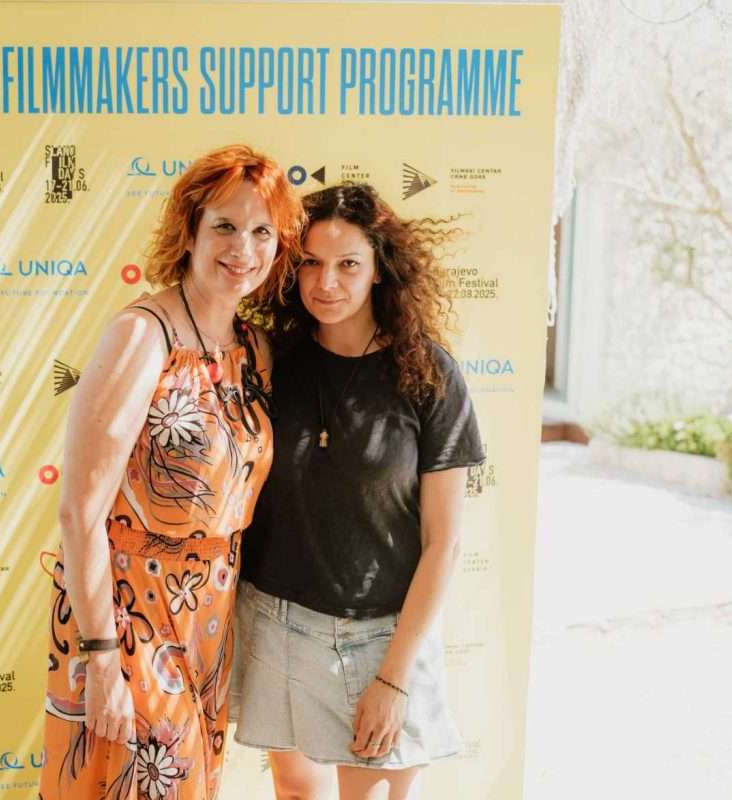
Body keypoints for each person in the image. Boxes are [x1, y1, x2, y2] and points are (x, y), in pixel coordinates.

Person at [41, 144, 304, 800]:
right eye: (225, 226)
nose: (243, 248)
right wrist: (102, 657)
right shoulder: (142, 336)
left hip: (208, 615)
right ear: (189, 230)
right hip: (128, 613)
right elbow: (79, 511)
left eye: (262, 232)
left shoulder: (254, 349)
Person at [233, 183, 485, 800]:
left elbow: (444, 543)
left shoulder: (427, 374)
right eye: (310, 263)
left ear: (379, 269)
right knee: (296, 793)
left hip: (383, 637)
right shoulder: (270, 362)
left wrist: (394, 679)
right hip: (274, 619)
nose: (326, 283)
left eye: (348, 264)